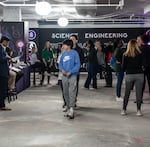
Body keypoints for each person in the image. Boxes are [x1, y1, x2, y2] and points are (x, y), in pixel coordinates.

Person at [121, 39, 144, 116]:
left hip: (129, 75)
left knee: (127, 93)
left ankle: (124, 110)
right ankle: (138, 110)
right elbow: (143, 64)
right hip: (139, 74)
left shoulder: (125, 55)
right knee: (139, 93)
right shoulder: (140, 54)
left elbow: (123, 67)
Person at [59, 39, 80, 119]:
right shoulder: (63, 54)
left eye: (64, 45)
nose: (63, 46)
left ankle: (71, 108)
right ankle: (68, 107)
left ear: (68, 46)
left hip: (72, 76)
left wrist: (71, 72)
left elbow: (77, 64)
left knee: (72, 91)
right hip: (64, 76)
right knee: (65, 92)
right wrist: (62, 70)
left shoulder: (74, 53)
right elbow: (60, 64)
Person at [70, 35, 84, 104]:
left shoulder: (79, 50)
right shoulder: (67, 49)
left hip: (75, 71)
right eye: (70, 39)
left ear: (76, 41)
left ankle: (74, 100)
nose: (71, 40)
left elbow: (82, 60)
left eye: (73, 39)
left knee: (75, 86)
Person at [0, 36, 11, 111]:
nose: (7, 44)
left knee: (3, 89)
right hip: (1, 72)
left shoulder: (3, 49)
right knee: (2, 90)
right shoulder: (0, 49)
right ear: (3, 41)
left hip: (4, 71)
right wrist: (7, 57)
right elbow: (1, 59)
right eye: (7, 42)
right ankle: (2, 105)